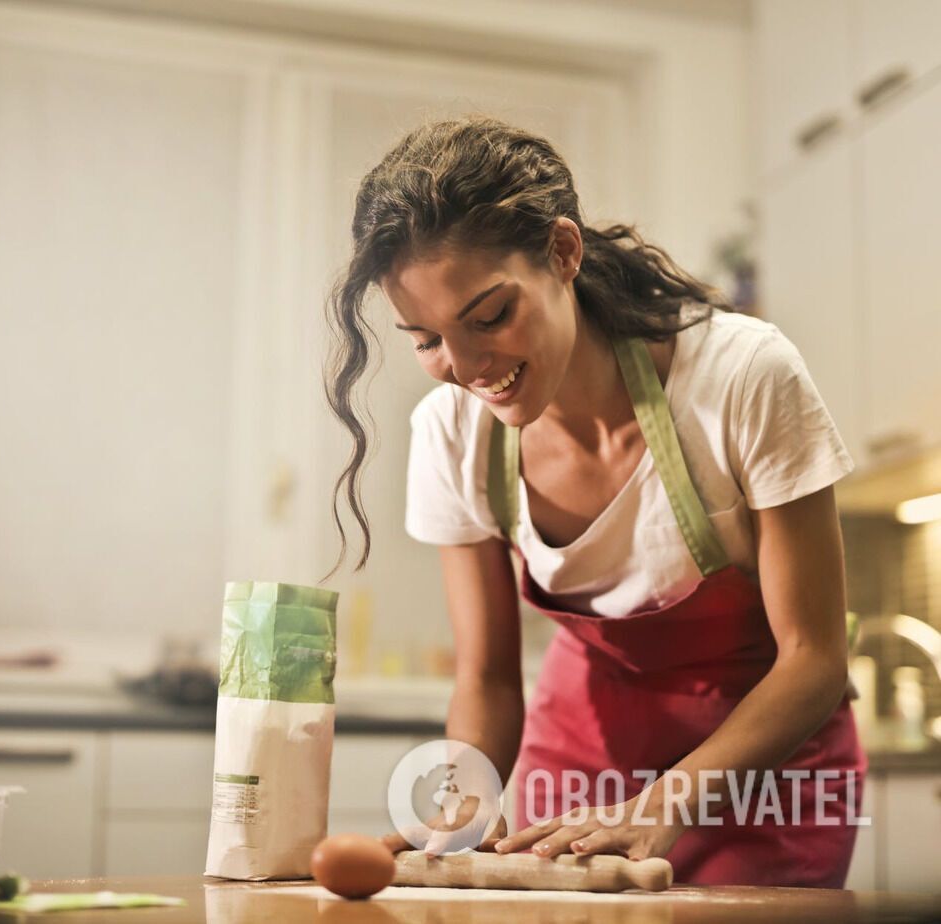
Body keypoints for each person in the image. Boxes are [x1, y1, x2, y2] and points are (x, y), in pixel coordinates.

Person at [329, 118, 861, 886]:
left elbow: (814, 659)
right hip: (576, 778)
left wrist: (663, 801)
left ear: (564, 253)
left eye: (489, 318)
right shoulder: (451, 433)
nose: (467, 366)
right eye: (427, 339)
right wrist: (458, 813)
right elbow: (487, 677)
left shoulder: (742, 379)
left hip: (766, 781)